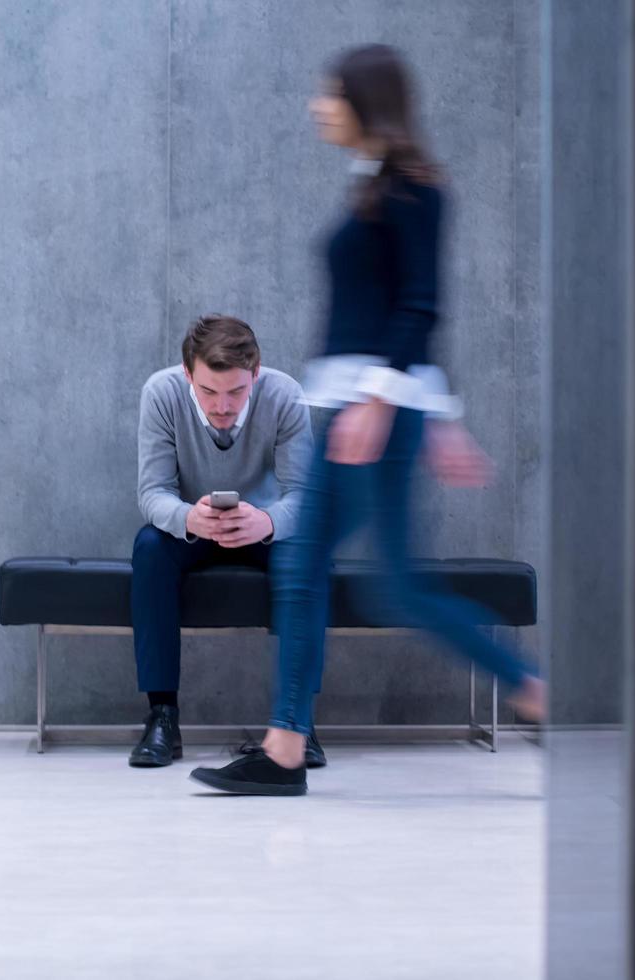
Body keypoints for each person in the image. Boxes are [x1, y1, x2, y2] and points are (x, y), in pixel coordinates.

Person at [190, 44, 546, 797]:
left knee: (313, 568)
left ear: (365, 101)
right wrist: (435, 414)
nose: (319, 107)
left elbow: (421, 304)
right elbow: (398, 312)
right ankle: (291, 742)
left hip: (368, 411)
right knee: (387, 584)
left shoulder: (416, 189)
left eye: (330, 95)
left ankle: (288, 747)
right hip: (366, 406)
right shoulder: (374, 185)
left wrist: (380, 402)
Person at [129, 314, 327, 768]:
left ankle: (297, 722)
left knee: (308, 555)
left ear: (255, 374)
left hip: (263, 525)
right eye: (209, 392)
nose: (223, 406)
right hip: (193, 525)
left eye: (236, 392)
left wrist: (267, 522)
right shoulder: (161, 393)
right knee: (149, 548)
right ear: (187, 375)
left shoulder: (283, 394)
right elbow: (152, 492)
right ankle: (162, 716)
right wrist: (188, 517)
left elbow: (304, 498)